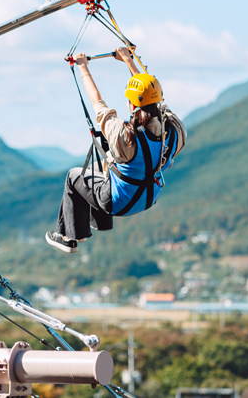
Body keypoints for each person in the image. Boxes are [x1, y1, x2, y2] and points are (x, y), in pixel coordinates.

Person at [46, 46, 186, 253]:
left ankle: (68, 236)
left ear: (131, 104)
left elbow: (98, 104)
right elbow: (148, 94)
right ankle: (100, 222)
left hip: (118, 203)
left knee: (73, 176)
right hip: (147, 198)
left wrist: (83, 68)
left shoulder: (126, 136)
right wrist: (129, 62)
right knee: (99, 166)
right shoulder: (175, 131)